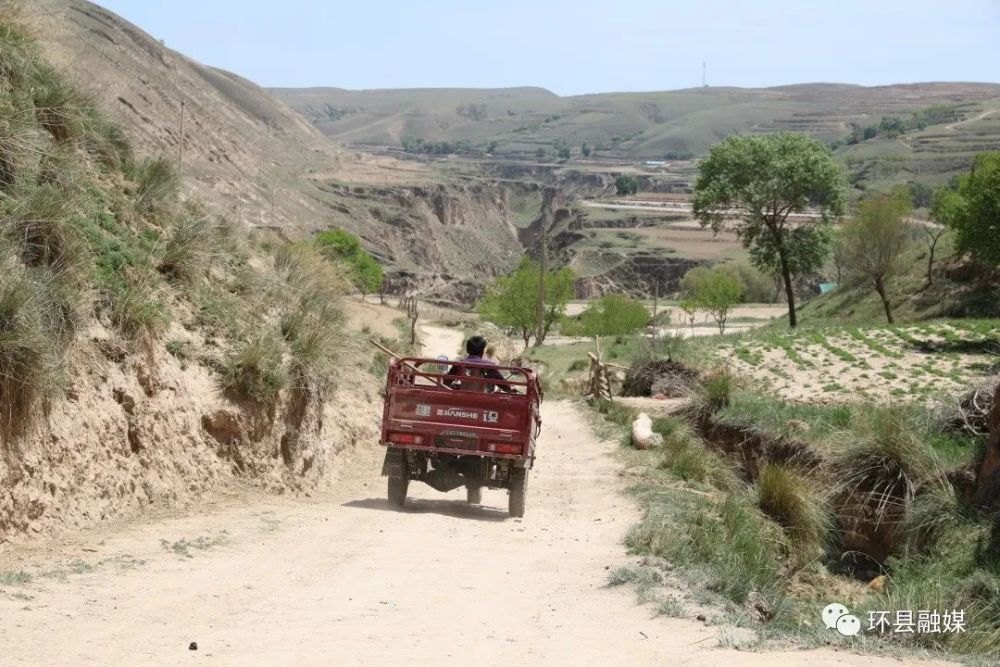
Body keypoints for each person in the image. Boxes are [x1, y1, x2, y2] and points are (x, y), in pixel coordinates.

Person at [445, 335, 516, 393]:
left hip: (463, 399)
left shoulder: (459, 364)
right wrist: (511, 388)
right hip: (483, 402)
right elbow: (505, 386)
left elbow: (446, 382)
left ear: (467, 350)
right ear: (482, 351)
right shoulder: (490, 366)